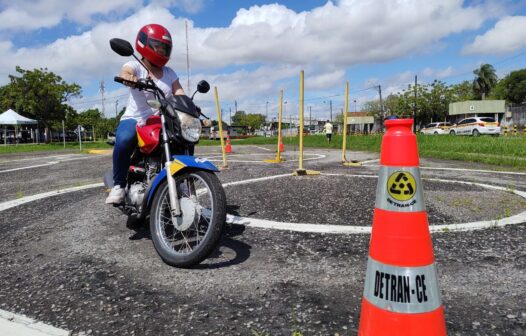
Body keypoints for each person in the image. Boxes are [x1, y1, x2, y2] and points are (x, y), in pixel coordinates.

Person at [106, 23, 186, 204]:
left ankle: (182, 179)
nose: (162, 51)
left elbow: (179, 92)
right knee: (125, 139)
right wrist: (129, 78)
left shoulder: (169, 72)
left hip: (161, 120)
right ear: (144, 44)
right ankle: (119, 185)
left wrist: (189, 106)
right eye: (158, 46)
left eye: (165, 48)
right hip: (136, 119)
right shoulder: (135, 64)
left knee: (184, 138)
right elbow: (126, 71)